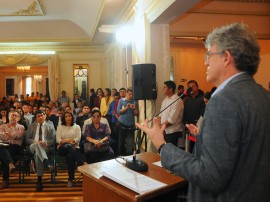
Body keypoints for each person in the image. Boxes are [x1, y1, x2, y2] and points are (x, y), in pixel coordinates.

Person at [136, 23, 270, 201]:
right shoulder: (264, 96)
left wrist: (162, 145)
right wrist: (205, 137)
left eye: (209, 55)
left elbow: (210, 176)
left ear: (226, 57)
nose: (205, 61)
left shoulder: (224, 101)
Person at [25, 110, 56, 192]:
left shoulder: (50, 125)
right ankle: (47, 163)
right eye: (38, 116)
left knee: (37, 155)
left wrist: (46, 143)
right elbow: (26, 139)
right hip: (32, 147)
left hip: (45, 147)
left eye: (42, 115)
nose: (40, 117)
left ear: (45, 116)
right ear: (36, 118)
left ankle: (39, 180)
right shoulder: (32, 126)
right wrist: (35, 142)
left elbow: (53, 140)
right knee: (36, 145)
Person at [56, 111, 85, 187]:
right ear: (64, 118)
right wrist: (69, 140)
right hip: (62, 149)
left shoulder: (77, 127)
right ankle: (81, 162)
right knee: (68, 146)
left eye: (69, 116)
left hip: (73, 148)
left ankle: (70, 179)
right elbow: (58, 140)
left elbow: (78, 139)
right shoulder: (60, 127)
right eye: (66, 116)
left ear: (72, 117)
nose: (68, 118)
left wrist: (66, 140)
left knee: (70, 156)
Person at [0, 110, 25, 189]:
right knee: (2, 150)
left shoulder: (21, 127)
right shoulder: (2, 126)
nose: (13, 117)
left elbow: (18, 136)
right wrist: (12, 135)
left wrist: (8, 134)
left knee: (3, 156)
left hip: (15, 147)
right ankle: (11, 164)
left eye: (16, 116)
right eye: (12, 115)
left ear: (19, 118)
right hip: (4, 146)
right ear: (8, 117)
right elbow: (1, 136)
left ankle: (5, 180)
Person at [158, 80, 184, 146]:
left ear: (170, 89)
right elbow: (160, 115)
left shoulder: (177, 100)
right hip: (164, 131)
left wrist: (162, 128)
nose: (162, 89)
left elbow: (172, 119)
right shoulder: (165, 100)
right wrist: (159, 127)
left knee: (171, 153)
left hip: (173, 132)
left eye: (164, 87)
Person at [117, 88, 139, 155]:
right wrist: (126, 108)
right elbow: (118, 112)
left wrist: (134, 108)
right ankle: (121, 155)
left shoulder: (135, 101)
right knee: (121, 141)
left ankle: (130, 155)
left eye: (132, 94)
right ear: (126, 93)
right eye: (129, 94)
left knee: (130, 142)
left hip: (130, 125)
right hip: (122, 124)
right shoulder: (121, 101)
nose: (131, 96)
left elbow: (136, 114)